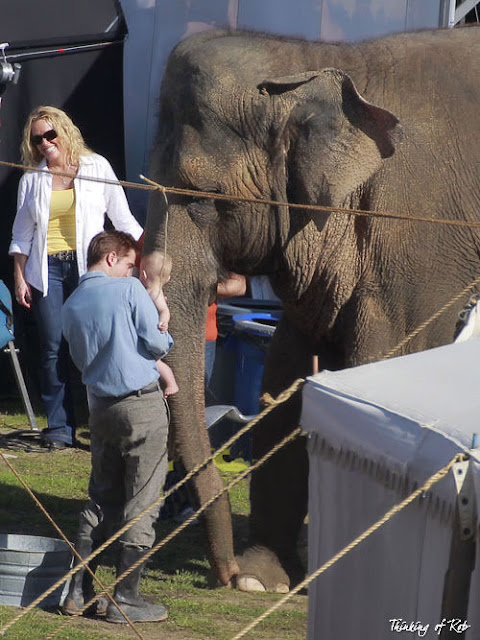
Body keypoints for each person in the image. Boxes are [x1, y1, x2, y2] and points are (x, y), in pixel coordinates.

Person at [9, 106, 143, 449]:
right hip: (46, 269)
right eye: (37, 138)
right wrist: (20, 277)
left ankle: (101, 424)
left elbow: (123, 220)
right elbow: (22, 236)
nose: (44, 143)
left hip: (90, 270)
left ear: (65, 132)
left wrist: (144, 259)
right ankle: (59, 428)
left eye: (50, 134)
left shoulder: (97, 167)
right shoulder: (32, 178)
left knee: (95, 345)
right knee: (53, 348)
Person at [61, 230, 172, 623]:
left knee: (100, 497)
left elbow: (77, 361)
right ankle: (125, 597)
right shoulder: (127, 290)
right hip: (140, 404)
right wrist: (163, 319)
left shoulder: (70, 304)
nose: (131, 270)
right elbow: (159, 345)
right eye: (129, 263)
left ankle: (77, 591)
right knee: (142, 499)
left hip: (100, 408)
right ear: (112, 259)